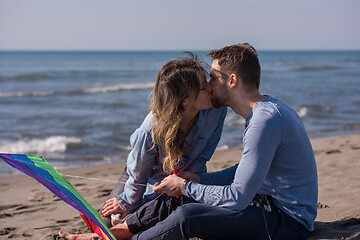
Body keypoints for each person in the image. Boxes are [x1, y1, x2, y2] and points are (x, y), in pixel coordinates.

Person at [121, 43, 318, 240]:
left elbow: (237, 198)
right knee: (186, 195)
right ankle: (121, 230)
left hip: (288, 221)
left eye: (213, 78)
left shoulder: (263, 122)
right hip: (266, 202)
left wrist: (185, 186)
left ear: (232, 80)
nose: (209, 84)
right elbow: (245, 172)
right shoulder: (265, 112)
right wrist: (197, 181)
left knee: (187, 216)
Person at [58, 54, 227, 240]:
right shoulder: (150, 130)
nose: (211, 88)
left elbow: (201, 160)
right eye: (203, 87)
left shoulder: (216, 112)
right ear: (184, 100)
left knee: (167, 213)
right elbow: (138, 178)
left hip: (182, 179)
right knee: (106, 221)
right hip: (141, 176)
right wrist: (129, 202)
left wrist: (180, 187)